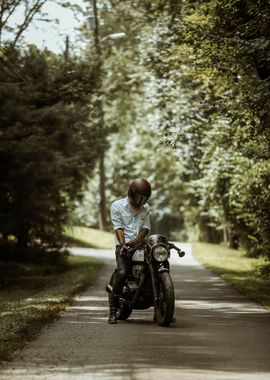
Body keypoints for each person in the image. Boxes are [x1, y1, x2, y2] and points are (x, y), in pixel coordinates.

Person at [108, 178, 152, 324]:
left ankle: (161, 309)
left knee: (156, 267)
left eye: (144, 198)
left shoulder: (146, 208)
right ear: (131, 193)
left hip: (140, 245)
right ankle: (113, 312)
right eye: (139, 197)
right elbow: (118, 227)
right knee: (122, 272)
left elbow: (146, 227)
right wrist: (123, 244)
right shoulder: (117, 206)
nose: (141, 201)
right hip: (123, 246)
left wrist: (138, 240)